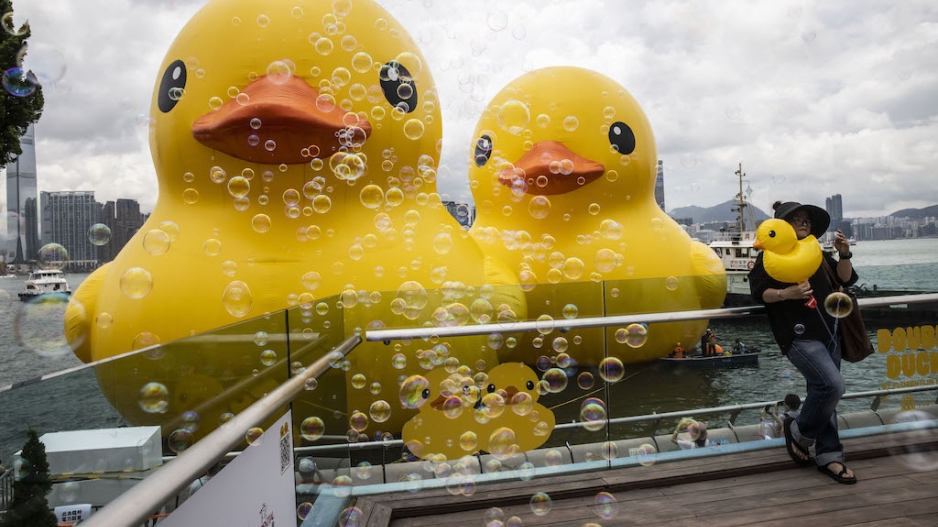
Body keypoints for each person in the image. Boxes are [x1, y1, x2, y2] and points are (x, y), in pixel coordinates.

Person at [748, 200, 858, 484]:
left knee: (824, 395)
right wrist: (789, 294)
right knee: (832, 386)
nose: (804, 223)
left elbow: (843, 279)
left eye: (807, 219)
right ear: (783, 225)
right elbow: (760, 293)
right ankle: (798, 431)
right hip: (798, 336)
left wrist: (844, 255)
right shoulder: (770, 256)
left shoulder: (815, 252)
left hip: (829, 330)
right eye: (797, 219)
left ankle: (830, 456)